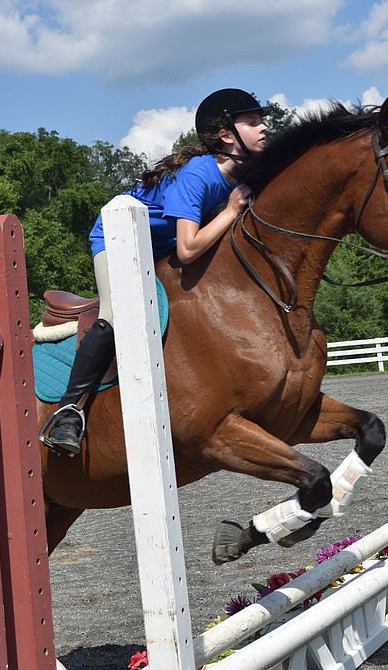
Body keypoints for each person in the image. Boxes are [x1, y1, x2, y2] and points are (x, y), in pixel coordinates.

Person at [40, 88, 268, 457]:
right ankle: (69, 412)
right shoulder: (199, 174)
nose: (264, 128)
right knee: (116, 316)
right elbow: (189, 248)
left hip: (157, 247)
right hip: (117, 239)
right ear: (227, 135)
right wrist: (229, 212)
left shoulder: (240, 174)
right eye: (253, 122)